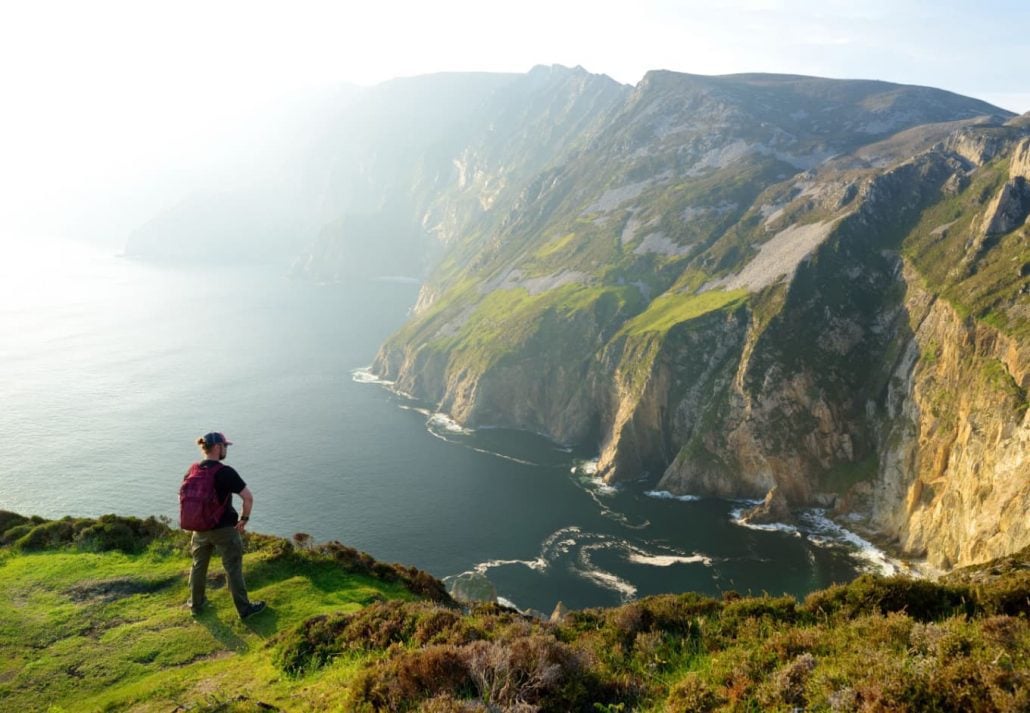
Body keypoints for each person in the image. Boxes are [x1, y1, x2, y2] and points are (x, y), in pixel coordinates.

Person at [184, 432, 267, 620]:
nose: (226, 449)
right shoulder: (225, 472)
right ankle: (244, 609)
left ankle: (196, 605)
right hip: (223, 529)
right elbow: (248, 497)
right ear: (217, 447)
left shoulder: (193, 470)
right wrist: (244, 519)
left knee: (198, 566)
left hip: (199, 529)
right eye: (225, 446)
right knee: (233, 567)